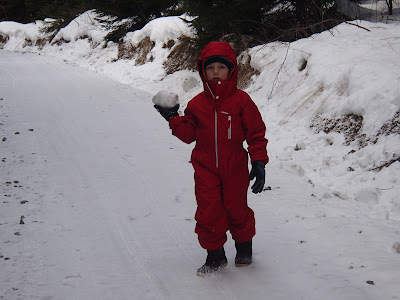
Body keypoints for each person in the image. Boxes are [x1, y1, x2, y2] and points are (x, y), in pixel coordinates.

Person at [154, 41, 268, 276]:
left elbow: (256, 133)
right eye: (210, 67)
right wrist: (172, 118)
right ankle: (215, 256)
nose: (216, 72)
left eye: (221, 67)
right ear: (203, 71)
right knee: (209, 210)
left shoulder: (242, 101)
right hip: (205, 166)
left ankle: (244, 247)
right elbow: (188, 135)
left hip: (235, 166)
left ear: (232, 70)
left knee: (237, 208)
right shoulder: (197, 104)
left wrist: (258, 161)